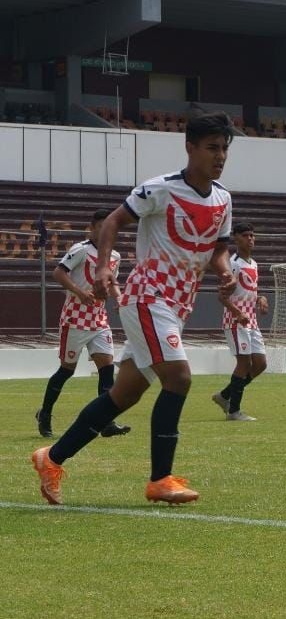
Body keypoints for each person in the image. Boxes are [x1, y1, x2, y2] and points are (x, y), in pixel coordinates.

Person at [31, 111, 237, 505]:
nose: (220, 156)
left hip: (177, 305)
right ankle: (160, 479)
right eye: (212, 148)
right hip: (148, 296)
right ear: (190, 147)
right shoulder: (160, 189)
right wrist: (106, 267)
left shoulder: (223, 198)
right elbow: (112, 222)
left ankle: (51, 458)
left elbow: (218, 249)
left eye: (224, 148)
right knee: (178, 378)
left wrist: (224, 271)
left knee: (123, 395)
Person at [35, 208, 131, 439]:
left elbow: (112, 282)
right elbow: (59, 273)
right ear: (92, 228)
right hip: (75, 318)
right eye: (100, 227)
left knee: (107, 369)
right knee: (66, 370)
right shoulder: (81, 250)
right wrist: (80, 292)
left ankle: (106, 422)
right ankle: (45, 413)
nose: (105, 231)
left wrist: (119, 298)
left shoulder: (114, 256)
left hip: (99, 319)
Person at [211, 222, 267, 421]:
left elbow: (250, 290)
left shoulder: (254, 264)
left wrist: (260, 298)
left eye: (252, 235)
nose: (250, 239)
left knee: (260, 364)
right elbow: (222, 296)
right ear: (235, 237)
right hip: (236, 321)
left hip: (251, 321)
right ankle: (234, 411)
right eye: (245, 235)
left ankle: (224, 395)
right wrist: (237, 313)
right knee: (244, 362)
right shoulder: (232, 264)